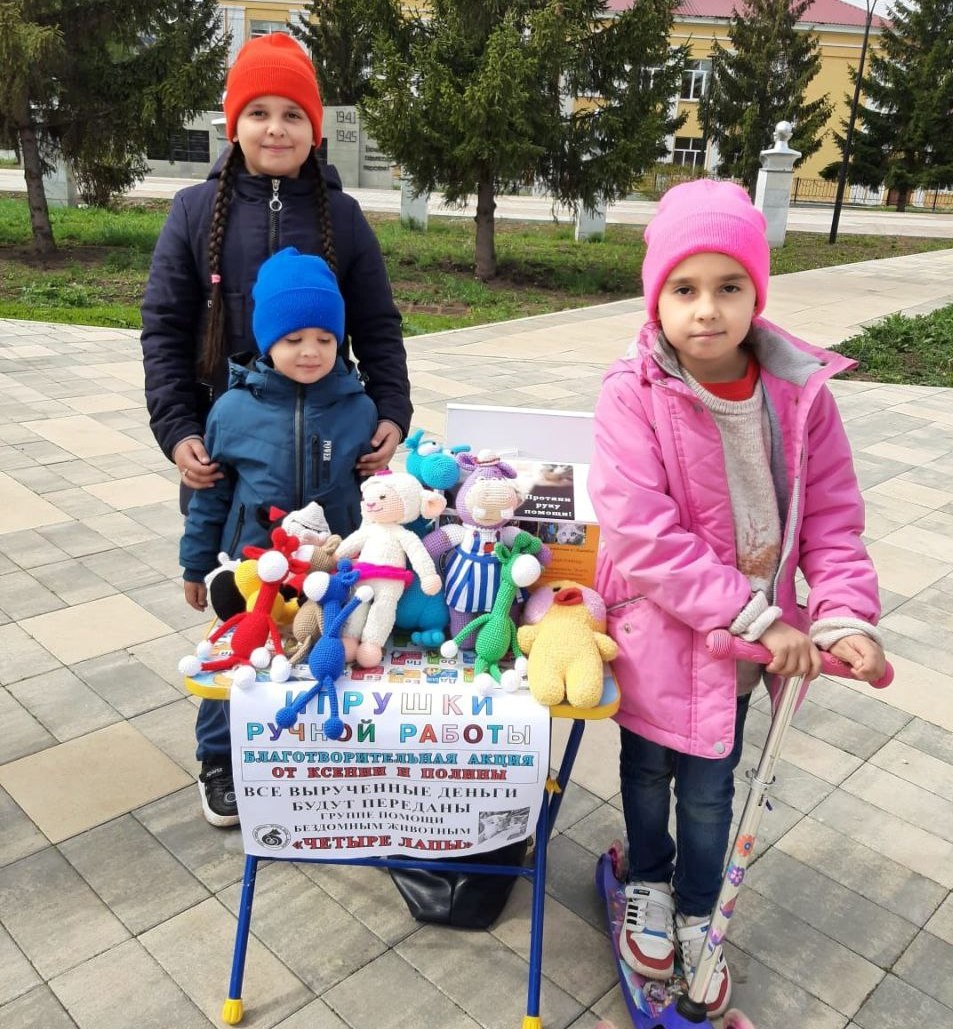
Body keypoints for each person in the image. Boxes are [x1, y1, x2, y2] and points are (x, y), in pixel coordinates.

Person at [588, 179, 886, 1016]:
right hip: (661, 631)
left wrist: (841, 615)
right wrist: (755, 614)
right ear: (655, 298)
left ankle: (696, 908)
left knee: (712, 787)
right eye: (683, 289)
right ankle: (648, 881)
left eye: (728, 286)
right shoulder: (631, 392)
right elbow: (639, 532)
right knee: (647, 770)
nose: (706, 310)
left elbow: (830, 517)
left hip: (746, 652)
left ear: (757, 293)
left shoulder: (799, 394)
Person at [142, 33, 411, 826]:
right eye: (257, 112)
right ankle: (221, 756)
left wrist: (390, 411)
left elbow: (378, 325)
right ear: (233, 123)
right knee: (243, 613)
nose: (275, 128)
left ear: (314, 128)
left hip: (332, 452)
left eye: (292, 114)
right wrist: (179, 431)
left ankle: (322, 745)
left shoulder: (343, 217)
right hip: (234, 452)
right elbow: (164, 330)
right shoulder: (194, 212)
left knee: (331, 606)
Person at [179, 246, 378, 826]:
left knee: (326, 653)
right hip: (253, 569)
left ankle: (320, 753)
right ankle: (218, 759)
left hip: (328, 569)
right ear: (267, 340)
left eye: (324, 337)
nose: (310, 350)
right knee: (240, 656)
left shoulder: (358, 408)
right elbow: (210, 496)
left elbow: (374, 494)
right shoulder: (231, 409)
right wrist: (196, 565)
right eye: (293, 338)